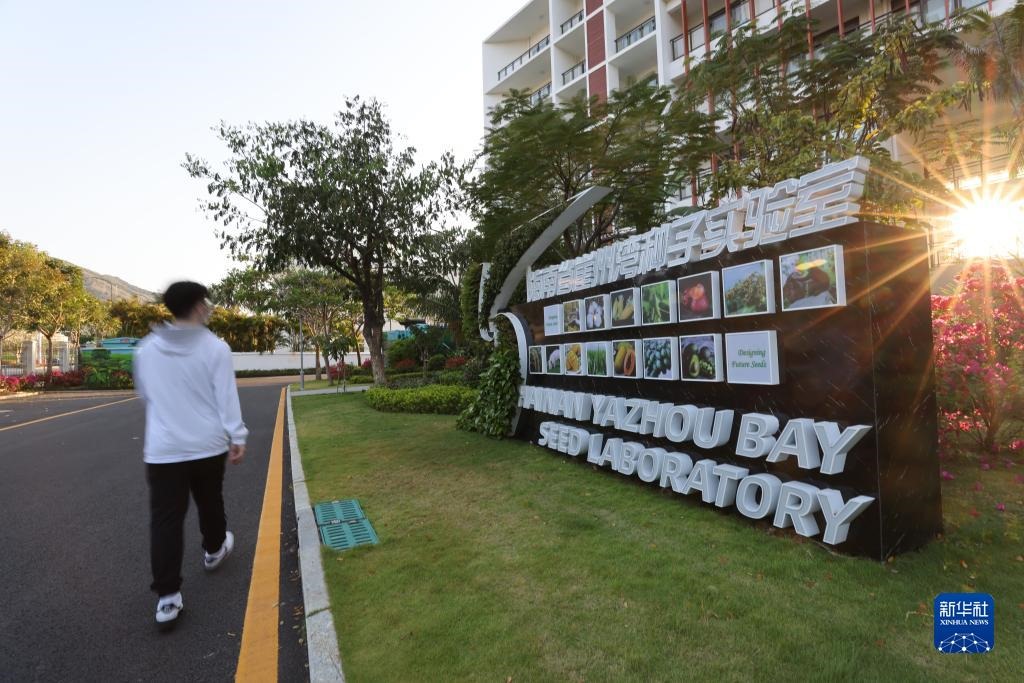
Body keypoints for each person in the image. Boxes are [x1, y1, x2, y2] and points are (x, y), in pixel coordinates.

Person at [133, 281, 248, 627]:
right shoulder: (215, 348)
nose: (208, 308)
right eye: (206, 303)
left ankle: (168, 598)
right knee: (210, 500)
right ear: (198, 306)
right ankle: (214, 550)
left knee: (166, 520)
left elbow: (146, 395)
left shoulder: (146, 350)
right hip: (206, 445)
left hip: (163, 449)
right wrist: (237, 435)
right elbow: (226, 396)